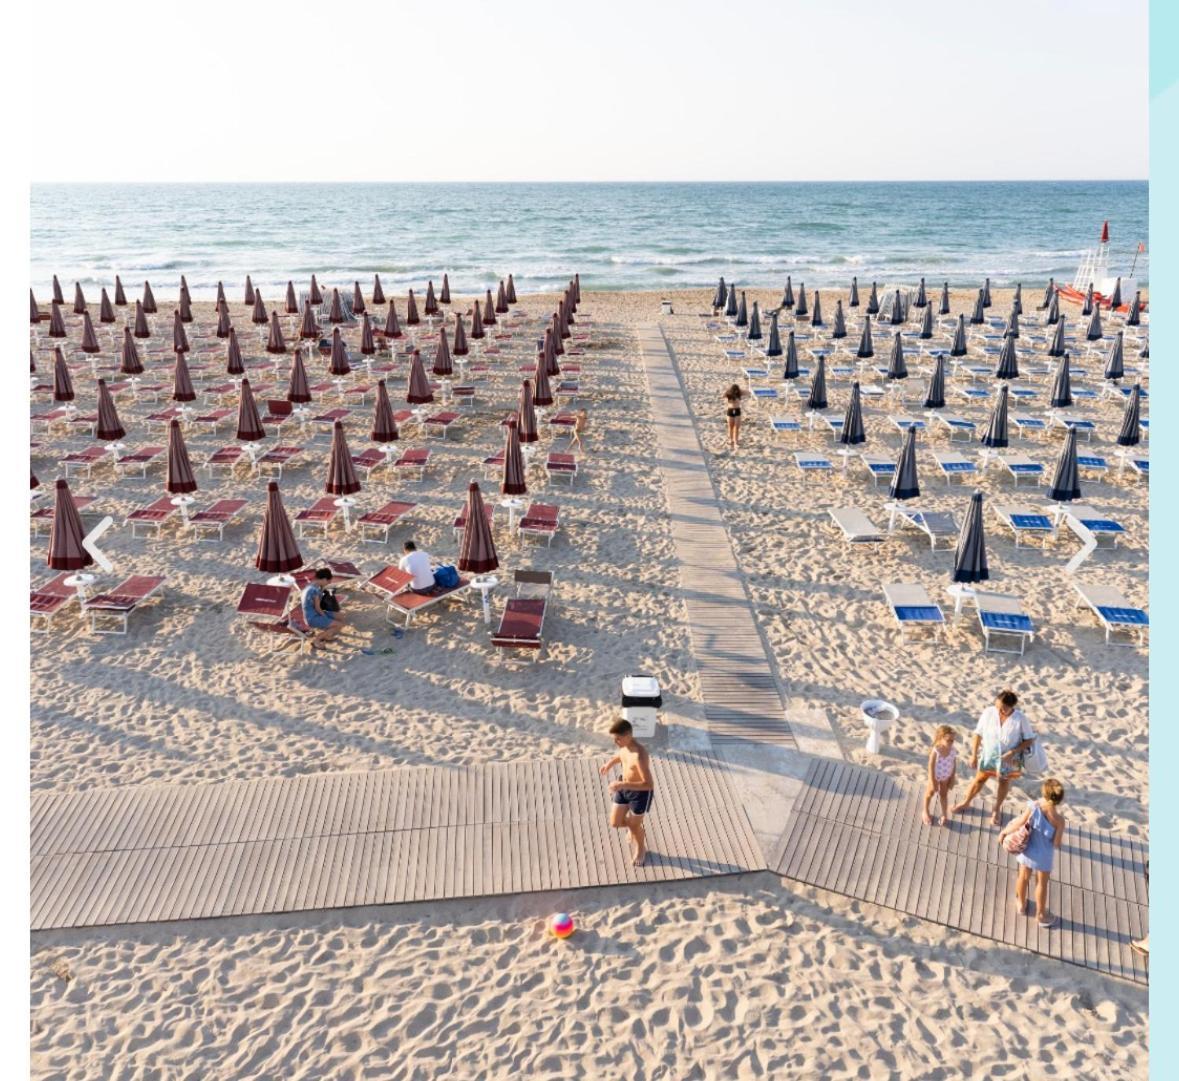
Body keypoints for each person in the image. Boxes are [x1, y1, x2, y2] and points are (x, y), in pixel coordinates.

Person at [951, 690, 1036, 825]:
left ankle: (996, 809)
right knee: (979, 779)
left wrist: (1013, 752)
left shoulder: (1020, 719)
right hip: (989, 754)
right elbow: (978, 734)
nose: (999, 711)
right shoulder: (989, 712)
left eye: (1003, 709)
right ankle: (966, 802)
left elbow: (1029, 740)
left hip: (1010, 758)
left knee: (1003, 783)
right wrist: (974, 755)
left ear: (1012, 707)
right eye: (997, 707)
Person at [998, 777, 1066, 929]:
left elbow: (1019, 823)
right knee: (1041, 884)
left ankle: (1021, 904)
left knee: (1023, 877)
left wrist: (1004, 832)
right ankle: (1041, 914)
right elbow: (1056, 843)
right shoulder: (1059, 821)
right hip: (1044, 856)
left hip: (1028, 849)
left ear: (1045, 794)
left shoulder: (1034, 806)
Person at [599, 718, 654, 867]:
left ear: (628, 735)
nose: (615, 742)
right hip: (624, 787)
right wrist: (609, 764)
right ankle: (635, 828)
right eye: (614, 739)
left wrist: (621, 784)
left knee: (634, 826)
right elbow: (621, 756)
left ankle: (641, 848)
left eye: (618, 739)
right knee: (615, 822)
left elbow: (648, 784)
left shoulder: (640, 756)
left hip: (640, 794)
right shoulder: (624, 745)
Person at [921, 725, 958, 826]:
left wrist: (952, 778)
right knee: (930, 793)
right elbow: (931, 766)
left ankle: (944, 814)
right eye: (948, 740)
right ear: (941, 738)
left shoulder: (953, 750)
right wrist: (933, 781)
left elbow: (953, 764)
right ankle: (925, 811)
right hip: (935, 776)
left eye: (952, 741)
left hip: (946, 776)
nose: (951, 743)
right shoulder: (936, 750)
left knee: (943, 795)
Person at [301, 568, 343, 647]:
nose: (328, 584)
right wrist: (326, 617)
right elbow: (317, 608)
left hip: (313, 613)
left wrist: (322, 589)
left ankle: (327, 635)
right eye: (328, 581)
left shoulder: (311, 585)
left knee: (340, 616)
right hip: (313, 617)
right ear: (323, 579)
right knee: (339, 625)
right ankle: (317, 640)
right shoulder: (314, 591)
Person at [723, 384, 744, 451]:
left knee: (737, 427)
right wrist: (728, 390)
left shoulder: (739, 394)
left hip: (737, 410)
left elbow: (748, 392)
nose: (735, 391)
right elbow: (722, 396)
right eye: (734, 390)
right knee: (730, 426)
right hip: (730, 410)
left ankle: (736, 441)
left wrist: (740, 391)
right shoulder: (729, 395)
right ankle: (731, 440)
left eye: (736, 390)